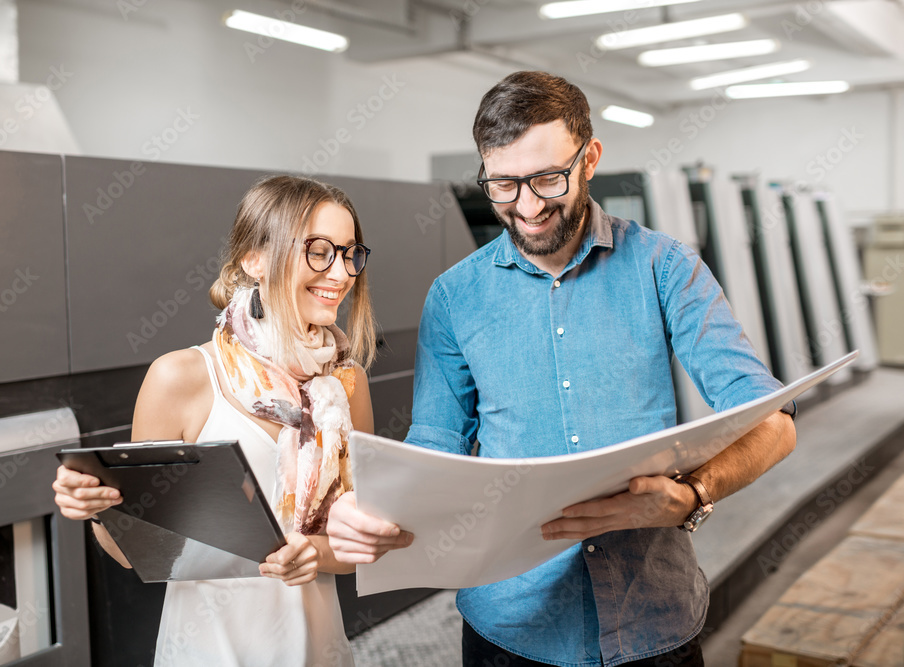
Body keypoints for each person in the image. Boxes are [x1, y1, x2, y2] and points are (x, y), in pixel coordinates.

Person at [326, 71, 797, 667]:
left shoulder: (665, 267)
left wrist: (694, 494)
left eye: (548, 178)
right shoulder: (454, 297)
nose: (527, 207)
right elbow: (434, 445)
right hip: (510, 628)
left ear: (590, 157)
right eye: (502, 185)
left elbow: (773, 419)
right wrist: (375, 509)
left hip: (652, 622)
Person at [53, 174, 377, 666]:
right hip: (207, 650)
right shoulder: (181, 377)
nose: (340, 273)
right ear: (254, 259)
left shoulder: (346, 383)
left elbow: (359, 544)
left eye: (349, 252)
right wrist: (101, 507)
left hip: (317, 649)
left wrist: (313, 552)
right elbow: (135, 551)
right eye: (318, 250)